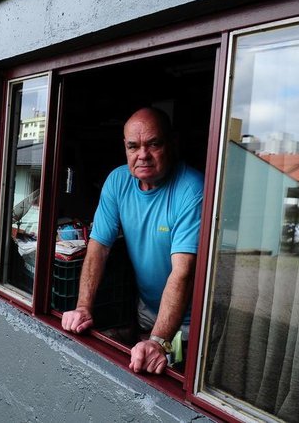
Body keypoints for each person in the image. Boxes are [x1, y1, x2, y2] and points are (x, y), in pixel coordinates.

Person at [61, 107, 203, 375]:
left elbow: (182, 272)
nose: (143, 155)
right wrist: (82, 309)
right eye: (133, 146)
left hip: (192, 321)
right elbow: (98, 247)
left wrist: (159, 341)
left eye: (153, 144)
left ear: (172, 143)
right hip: (147, 308)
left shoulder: (192, 189)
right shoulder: (118, 181)